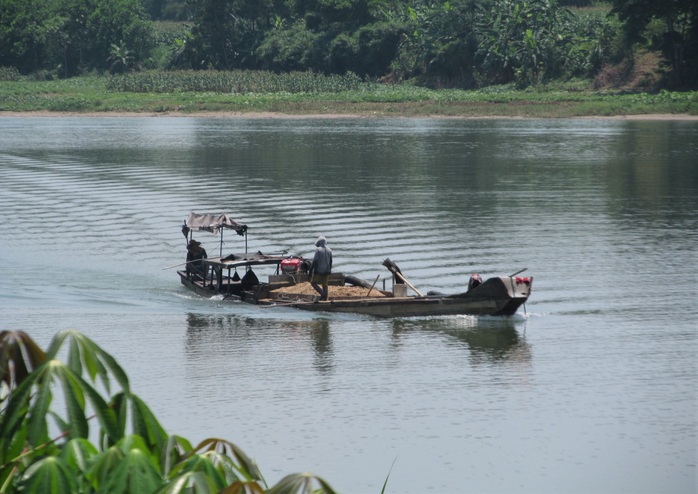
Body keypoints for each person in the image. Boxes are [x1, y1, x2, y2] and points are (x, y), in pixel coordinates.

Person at [309, 235, 333, 301]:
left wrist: (311, 270)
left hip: (319, 271)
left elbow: (315, 261)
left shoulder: (318, 250)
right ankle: (325, 299)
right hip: (327, 271)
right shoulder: (330, 250)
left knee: (313, 283)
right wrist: (329, 270)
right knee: (325, 284)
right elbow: (331, 262)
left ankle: (322, 294)